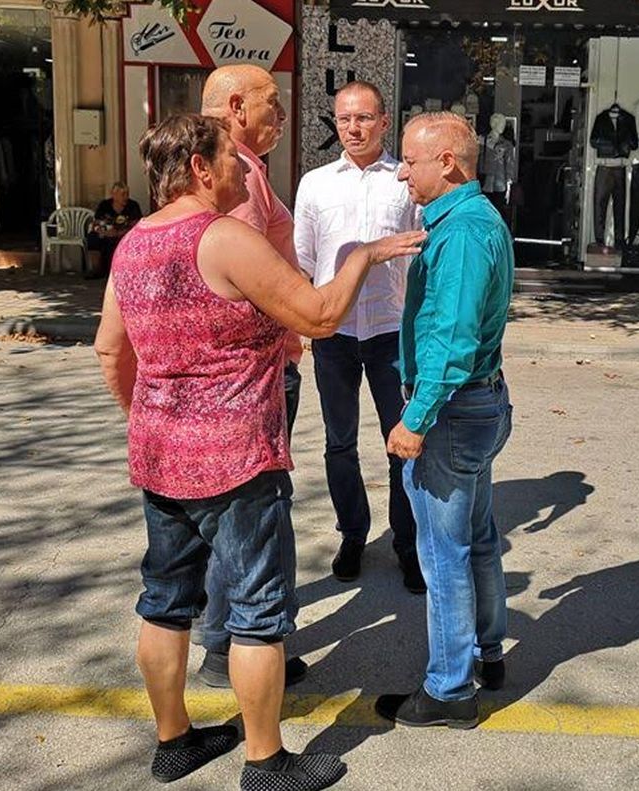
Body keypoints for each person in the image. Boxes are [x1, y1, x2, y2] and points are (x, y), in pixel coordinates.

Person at [94, 113, 425, 790]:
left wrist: (151, 421)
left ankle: (174, 741)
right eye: (232, 159)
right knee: (256, 613)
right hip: (236, 457)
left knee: (164, 600)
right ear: (199, 168)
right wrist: (361, 256)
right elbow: (319, 316)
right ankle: (266, 761)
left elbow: (109, 349)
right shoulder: (223, 238)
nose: (246, 173)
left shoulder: (133, 243)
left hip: (161, 454)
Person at [374, 112, 515, 729]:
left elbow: (452, 341)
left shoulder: (460, 233)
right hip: (479, 404)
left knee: (443, 554)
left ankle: (450, 689)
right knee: (477, 537)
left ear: (448, 163)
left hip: (453, 412)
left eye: (410, 161)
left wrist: (415, 418)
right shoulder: (472, 220)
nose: (401, 172)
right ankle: (487, 651)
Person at [197, 64, 306, 690]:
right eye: (272, 102)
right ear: (237, 107)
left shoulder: (238, 169)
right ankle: (233, 642)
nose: (282, 114)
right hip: (255, 371)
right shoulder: (233, 175)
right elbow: (240, 286)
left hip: (256, 367)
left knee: (242, 506)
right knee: (252, 512)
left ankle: (228, 635)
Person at [293, 80, 425, 592]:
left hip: (391, 329)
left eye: (364, 118)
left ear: (384, 122)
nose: (353, 127)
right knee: (339, 442)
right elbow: (304, 263)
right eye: (344, 118)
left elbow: (424, 253)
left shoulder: (405, 181)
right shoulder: (315, 184)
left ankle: (407, 543)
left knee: (401, 442)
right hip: (335, 333)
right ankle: (352, 533)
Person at [87, 181, 142, 277]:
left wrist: (119, 233)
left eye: (127, 194)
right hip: (107, 232)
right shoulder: (104, 205)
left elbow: (136, 225)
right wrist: (105, 232)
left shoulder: (133, 205)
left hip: (124, 233)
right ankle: (96, 269)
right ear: (114, 195)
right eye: (123, 194)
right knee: (93, 237)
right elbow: (96, 223)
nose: (126, 197)